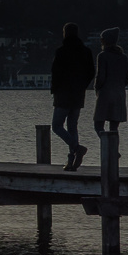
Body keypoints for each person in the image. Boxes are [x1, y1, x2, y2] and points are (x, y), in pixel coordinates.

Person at [51, 23, 96, 170]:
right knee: (72, 127)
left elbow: (56, 73)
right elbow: (91, 72)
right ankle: (71, 162)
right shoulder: (86, 51)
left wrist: (54, 90)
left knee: (57, 126)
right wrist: (82, 86)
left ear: (65, 34)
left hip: (63, 93)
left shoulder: (61, 51)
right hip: (78, 94)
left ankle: (77, 149)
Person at [93, 28, 128, 138]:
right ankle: (114, 151)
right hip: (119, 95)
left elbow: (101, 77)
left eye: (102, 39)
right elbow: (127, 78)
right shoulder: (123, 57)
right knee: (114, 128)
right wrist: (119, 87)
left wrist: (97, 88)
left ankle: (107, 147)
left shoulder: (102, 56)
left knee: (98, 125)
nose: (100, 41)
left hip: (105, 94)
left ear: (105, 41)